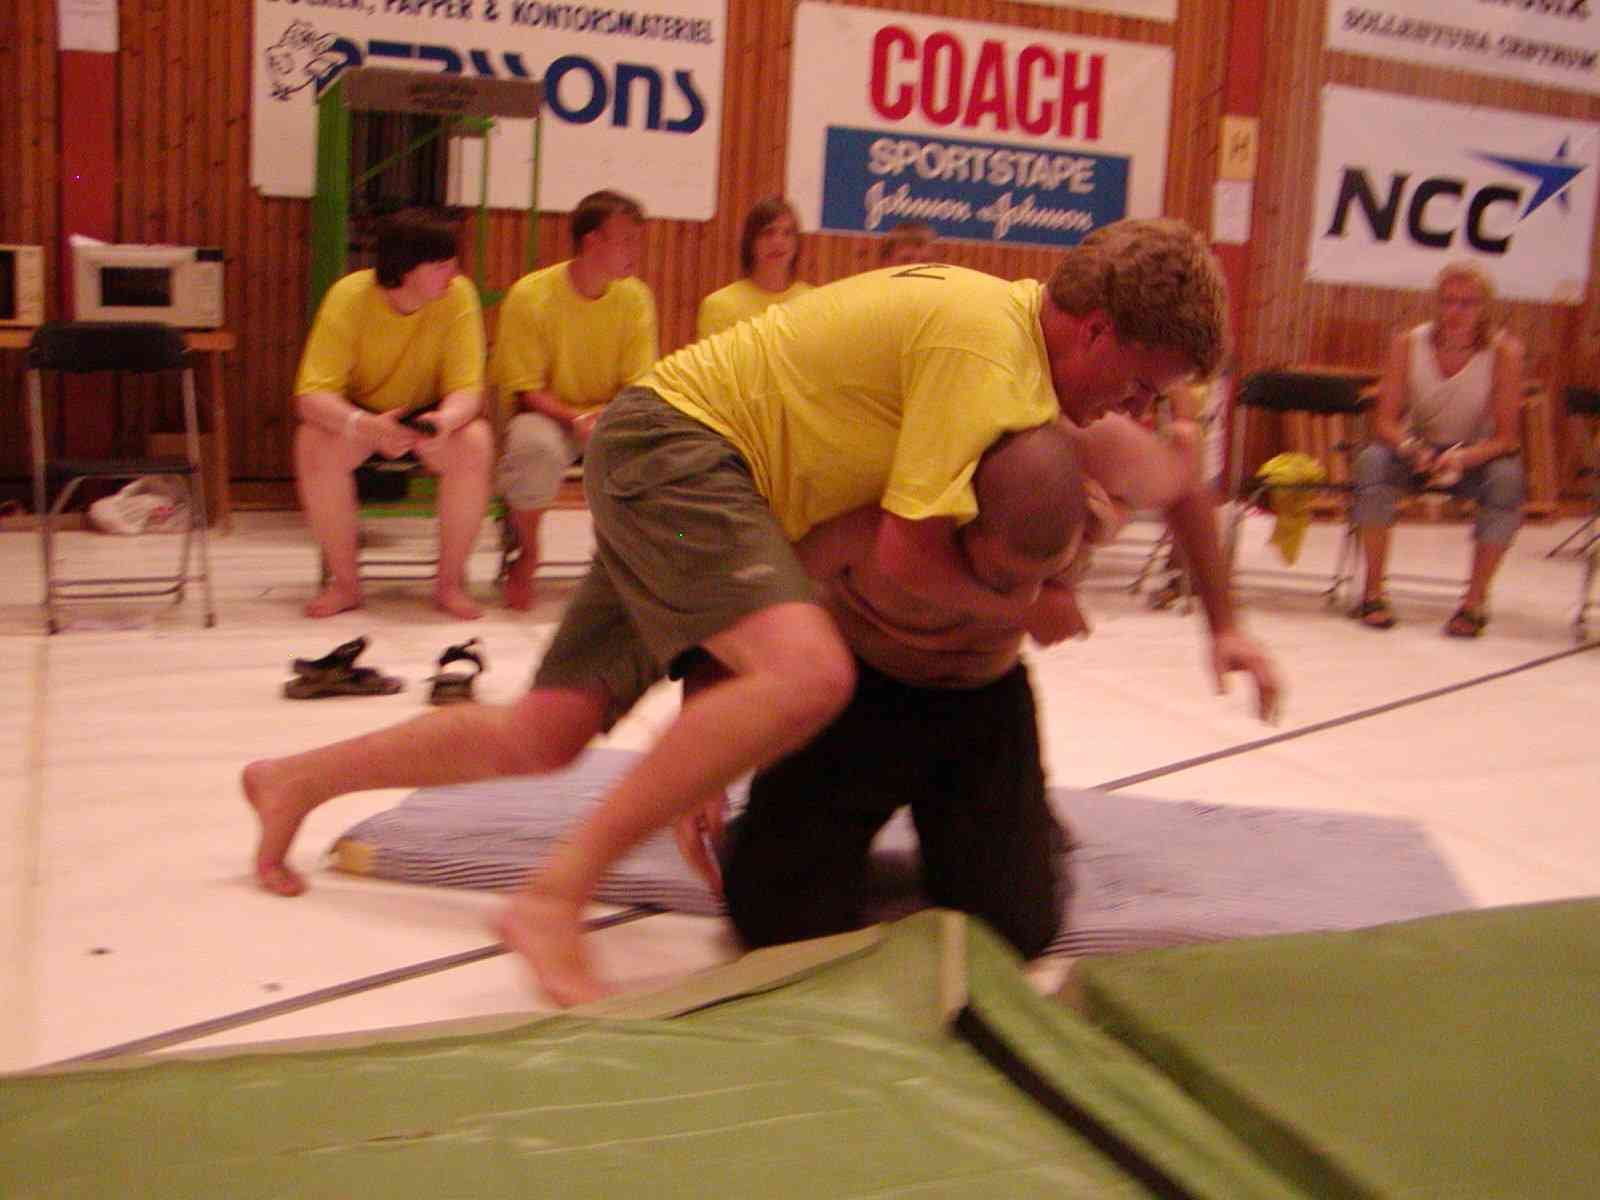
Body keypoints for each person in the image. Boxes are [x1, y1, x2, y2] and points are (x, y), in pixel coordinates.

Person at [245, 217, 1248, 1007]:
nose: (1132, 408)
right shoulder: (989, 356)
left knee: (544, 731)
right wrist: (1033, 608)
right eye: (1136, 385)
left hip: (700, 471)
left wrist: (1224, 624)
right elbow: (899, 554)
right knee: (811, 672)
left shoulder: (1005, 337)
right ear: (1096, 329)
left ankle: (294, 780)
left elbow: (790, 555)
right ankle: (551, 897)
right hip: (684, 452)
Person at [710, 415, 1280, 959]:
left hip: (981, 699)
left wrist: (1225, 627)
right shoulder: (878, 482)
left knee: (1013, 931)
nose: (1024, 596)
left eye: (1043, 578)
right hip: (857, 692)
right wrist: (708, 741)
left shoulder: (1095, 445)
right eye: (1004, 578)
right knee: (774, 920)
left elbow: (1184, 487)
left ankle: (1025, 828)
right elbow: (744, 592)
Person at [292, 208, 493, 620]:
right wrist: (365, 425)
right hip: (361, 411)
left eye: (453, 264)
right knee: (312, 443)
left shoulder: (459, 295)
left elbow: (468, 390)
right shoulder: (349, 297)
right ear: (404, 269)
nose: (453, 275)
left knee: (476, 441)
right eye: (440, 266)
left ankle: (449, 584)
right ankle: (345, 584)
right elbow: (311, 395)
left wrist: (444, 421)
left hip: (430, 412)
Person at [492, 190, 658, 610]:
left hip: (611, 414)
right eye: (626, 240)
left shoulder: (636, 297)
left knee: (658, 450)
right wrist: (575, 418)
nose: (635, 251)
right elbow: (526, 389)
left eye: (637, 241)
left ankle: (621, 565)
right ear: (591, 241)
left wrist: (606, 417)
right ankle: (527, 552)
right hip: (547, 414)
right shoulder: (531, 295)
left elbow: (638, 383)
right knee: (533, 447)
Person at [1351, 262, 1525, 637]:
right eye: (1447, 301)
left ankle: (1474, 602)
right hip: (1418, 447)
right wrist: (1413, 449)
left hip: (1476, 453)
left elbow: (1507, 437)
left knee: (1507, 480)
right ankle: (1373, 592)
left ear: (1485, 308)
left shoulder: (1504, 352)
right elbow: (1385, 422)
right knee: (1371, 462)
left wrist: (1463, 457)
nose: (1455, 312)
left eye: (1467, 303)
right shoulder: (1407, 344)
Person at [695, 196, 812, 340]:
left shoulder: (813, 302)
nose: (778, 241)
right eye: (768, 232)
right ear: (751, 242)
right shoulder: (719, 306)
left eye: (787, 233)